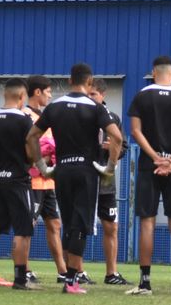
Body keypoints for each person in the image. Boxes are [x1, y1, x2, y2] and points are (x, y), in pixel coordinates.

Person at [28, 62, 123, 294]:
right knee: (80, 225)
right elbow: (117, 137)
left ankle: (70, 279)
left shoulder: (55, 107)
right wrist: (109, 166)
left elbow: (31, 136)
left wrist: (43, 166)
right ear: (89, 82)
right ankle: (71, 281)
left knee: (69, 225)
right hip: (86, 171)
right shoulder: (95, 107)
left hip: (62, 171)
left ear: (70, 81)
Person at [127, 56, 171, 296]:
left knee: (147, 222)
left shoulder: (142, 96)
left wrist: (156, 157)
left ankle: (145, 282)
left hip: (149, 166)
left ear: (153, 72)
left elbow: (135, 131)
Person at [0, 78, 38, 290]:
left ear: (5, 95)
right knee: (22, 231)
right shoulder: (24, 120)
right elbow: (30, 152)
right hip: (18, 181)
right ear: (22, 96)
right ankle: (20, 279)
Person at [26, 75, 69, 284]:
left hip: (48, 181)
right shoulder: (26, 115)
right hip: (32, 180)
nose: (50, 96)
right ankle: (23, 268)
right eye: (49, 91)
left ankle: (63, 271)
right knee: (27, 225)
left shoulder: (45, 117)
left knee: (55, 224)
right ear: (37, 92)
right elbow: (27, 146)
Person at [91, 78, 130, 285]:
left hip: (106, 182)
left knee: (111, 227)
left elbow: (123, 147)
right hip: (84, 181)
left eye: (94, 95)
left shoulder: (112, 118)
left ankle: (111, 273)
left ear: (103, 95)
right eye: (88, 95)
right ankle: (75, 271)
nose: (90, 98)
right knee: (77, 226)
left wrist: (112, 149)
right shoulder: (81, 116)